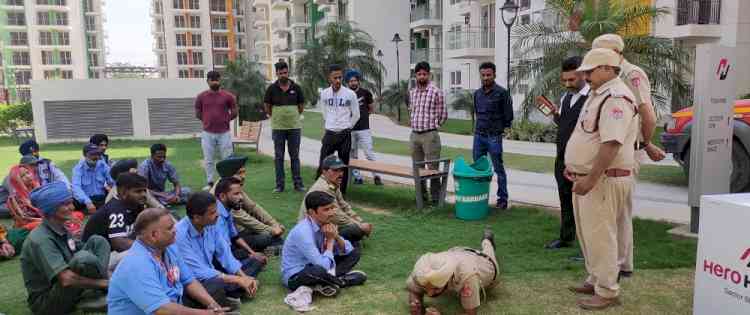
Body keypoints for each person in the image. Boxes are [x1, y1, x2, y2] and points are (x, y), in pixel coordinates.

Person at [564, 48, 639, 310]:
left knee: (602, 235)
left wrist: (591, 177)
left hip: (604, 179)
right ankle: (596, 278)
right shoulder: (599, 94)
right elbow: (589, 137)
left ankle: (607, 290)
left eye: (590, 70)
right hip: (589, 177)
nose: (584, 75)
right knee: (589, 234)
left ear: (608, 68)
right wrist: (575, 167)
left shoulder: (616, 97)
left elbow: (611, 144)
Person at [592, 33, 665, 278]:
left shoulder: (631, 74)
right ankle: (611, 260)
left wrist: (644, 144)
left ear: (615, 54)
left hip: (624, 151)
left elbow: (649, 116)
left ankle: (622, 263)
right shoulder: (608, 77)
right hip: (609, 148)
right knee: (607, 209)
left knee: (620, 210)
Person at [107, 208, 227, 315]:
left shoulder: (169, 247)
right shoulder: (136, 264)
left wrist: (214, 306)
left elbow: (189, 281)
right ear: (154, 235)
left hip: (171, 303)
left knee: (215, 286)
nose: (175, 230)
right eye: (170, 228)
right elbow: (162, 310)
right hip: (161, 310)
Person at [21, 181, 111, 314]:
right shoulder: (40, 239)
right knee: (83, 258)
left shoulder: (61, 227)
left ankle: (97, 292)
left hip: (66, 288)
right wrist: (105, 282)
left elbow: (82, 251)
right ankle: (102, 290)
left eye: (70, 202)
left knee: (98, 241)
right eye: (65, 204)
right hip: (47, 302)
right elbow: (66, 279)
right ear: (50, 209)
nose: (72, 207)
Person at [175, 192, 260, 309]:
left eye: (216, 210)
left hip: (214, 273)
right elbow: (197, 272)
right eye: (212, 212)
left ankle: (233, 292)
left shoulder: (211, 224)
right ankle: (228, 294)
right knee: (216, 284)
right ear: (197, 218)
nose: (218, 214)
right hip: (197, 282)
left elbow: (225, 254)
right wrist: (237, 279)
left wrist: (243, 277)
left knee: (256, 261)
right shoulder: (179, 234)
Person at [544, 56, 590, 250]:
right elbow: (564, 124)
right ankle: (566, 237)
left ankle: (587, 246)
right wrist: (555, 114)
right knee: (565, 198)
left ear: (583, 75)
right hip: (562, 158)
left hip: (583, 160)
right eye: (565, 80)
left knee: (586, 205)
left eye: (572, 80)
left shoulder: (592, 99)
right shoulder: (566, 97)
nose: (567, 84)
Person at [282, 191, 366, 295]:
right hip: (298, 274)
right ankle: (341, 281)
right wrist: (330, 241)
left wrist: (336, 236)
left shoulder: (326, 223)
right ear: (312, 212)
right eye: (326, 209)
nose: (331, 213)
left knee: (355, 250)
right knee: (317, 271)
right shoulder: (302, 232)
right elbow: (322, 266)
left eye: (332, 208)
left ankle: (326, 283)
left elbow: (348, 249)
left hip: (320, 265)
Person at [406, 229, 498, 315]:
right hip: (456, 251)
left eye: (435, 288)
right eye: (426, 288)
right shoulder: (423, 268)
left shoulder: (468, 276)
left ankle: (487, 240)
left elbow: (471, 313)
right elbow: (413, 289)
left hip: (484, 262)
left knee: (488, 249)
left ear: (448, 278)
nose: (430, 294)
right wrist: (415, 302)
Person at [213, 156, 285, 254]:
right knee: (269, 238)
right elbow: (244, 218)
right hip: (232, 238)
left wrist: (274, 223)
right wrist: (272, 230)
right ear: (229, 174)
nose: (243, 176)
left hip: (239, 233)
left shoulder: (234, 186)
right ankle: (259, 251)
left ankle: (265, 249)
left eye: (244, 172)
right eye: (239, 173)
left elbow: (253, 207)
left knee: (276, 238)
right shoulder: (223, 192)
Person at [7, 156, 85, 243]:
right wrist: (51, 220)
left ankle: (65, 230)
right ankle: (64, 230)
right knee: (47, 224)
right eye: (22, 176)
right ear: (16, 180)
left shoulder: (38, 189)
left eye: (27, 173)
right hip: (29, 225)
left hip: (46, 219)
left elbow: (50, 209)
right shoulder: (14, 198)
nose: (28, 176)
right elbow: (24, 218)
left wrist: (59, 217)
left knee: (77, 215)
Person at [299, 155, 373, 245]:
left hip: (322, 223)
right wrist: (360, 226)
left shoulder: (332, 183)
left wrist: (360, 221)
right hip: (312, 230)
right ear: (324, 171)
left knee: (356, 229)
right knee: (355, 230)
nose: (340, 174)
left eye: (341, 170)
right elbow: (336, 215)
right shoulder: (324, 188)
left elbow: (344, 206)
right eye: (335, 170)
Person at [82, 173, 148, 271]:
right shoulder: (115, 209)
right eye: (138, 191)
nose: (143, 195)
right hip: (97, 259)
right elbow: (119, 244)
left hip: (113, 253)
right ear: (123, 192)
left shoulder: (136, 205)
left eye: (144, 191)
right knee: (143, 253)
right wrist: (149, 245)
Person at [472, 62, 514, 210]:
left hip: (494, 137)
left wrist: (500, 130)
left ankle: (502, 199)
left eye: (488, 75)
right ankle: (478, 197)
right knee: (478, 168)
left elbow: (508, 116)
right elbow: (477, 113)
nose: (485, 77)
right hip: (479, 136)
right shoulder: (477, 94)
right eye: (483, 75)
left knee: (498, 169)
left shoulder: (502, 93)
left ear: (494, 75)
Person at [317, 64, 360, 195]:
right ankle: (321, 191)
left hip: (344, 134)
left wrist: (348, 127)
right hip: (330, 133)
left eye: (340, 77)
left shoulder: (350, 94)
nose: (338, 80)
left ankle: (342, 193)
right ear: (329, 78)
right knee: (323, 163)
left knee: (343, 165)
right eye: (335, 77)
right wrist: (329, 123)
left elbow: (356, 114)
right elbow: (324, 111)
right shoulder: (324, 94)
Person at [409, 62, 448, 204]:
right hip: (414, 135)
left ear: (429, 75)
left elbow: (443, 114)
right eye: (419, 74)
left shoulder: (436, 91)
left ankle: (436, 198)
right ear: (415, 76)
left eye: (424, 74)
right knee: (417, 167)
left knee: (433, 168)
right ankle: (421, 196)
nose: (422, 76)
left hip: (430, 135)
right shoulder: (412, 92)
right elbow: (412, 110)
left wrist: (435, 126)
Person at [264, 60, 306, 193]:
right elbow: (267, 107)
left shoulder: (296, 87)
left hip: (294, 127)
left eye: (285, 72)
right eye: (281, 73)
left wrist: (291, 115)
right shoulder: (271, 89)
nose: (283, 75)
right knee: (279, 157)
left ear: (288, 72)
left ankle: (298, 184)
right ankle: (279, 186)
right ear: (276, 74)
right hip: (278, 128)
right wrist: (277, 116)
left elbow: (301, 107)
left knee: (295, 156)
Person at [213, 177, 273, 263]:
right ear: (222, 196)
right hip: (220, 254)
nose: (241, 197)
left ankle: (264, 252)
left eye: (240, 193)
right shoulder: (216, 217)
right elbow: (223, 252)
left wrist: (252, 253)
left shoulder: (227, 209)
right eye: (236, 194)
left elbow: (235, 237)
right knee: (257, 262)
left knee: (266, 238)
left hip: (230, 244)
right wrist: (251, 255)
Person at [195, 70, 238, 188]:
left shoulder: (228, 96)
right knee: (208, 159)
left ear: (220, 80)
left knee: (227, 158)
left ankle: (227, 182)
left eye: (216, 79)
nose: (214, 82)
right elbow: (198, 113)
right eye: (211, 80)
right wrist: (207, 121)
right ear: (207, 81)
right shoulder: (201, 97)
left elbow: (234, 112)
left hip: (224, 132)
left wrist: (225, 120)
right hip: (207, 133)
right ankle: (210, 182)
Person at [345, 68, 383, 186]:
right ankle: (357, 177)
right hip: (350, 130)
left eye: (355, 80)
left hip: (364, 129)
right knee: (352, 154)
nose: (353, 83)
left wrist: (364, 117)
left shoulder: (365, 93)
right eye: (351, 81)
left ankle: (376, 176)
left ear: (358, 81)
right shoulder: (345, 94)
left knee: (368, 152)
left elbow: (371, 108)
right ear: (347, 83)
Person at [72, 143, 114, 214]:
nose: (95, 157)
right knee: (70, 203)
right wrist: (88, 202)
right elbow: (76, 187)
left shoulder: (103, 166)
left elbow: (113, 181)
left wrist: (112, 190)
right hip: (85, 199)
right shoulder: (78, 169)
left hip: (100, 198)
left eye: (97, 154)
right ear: (85, 155)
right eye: (92, 154)